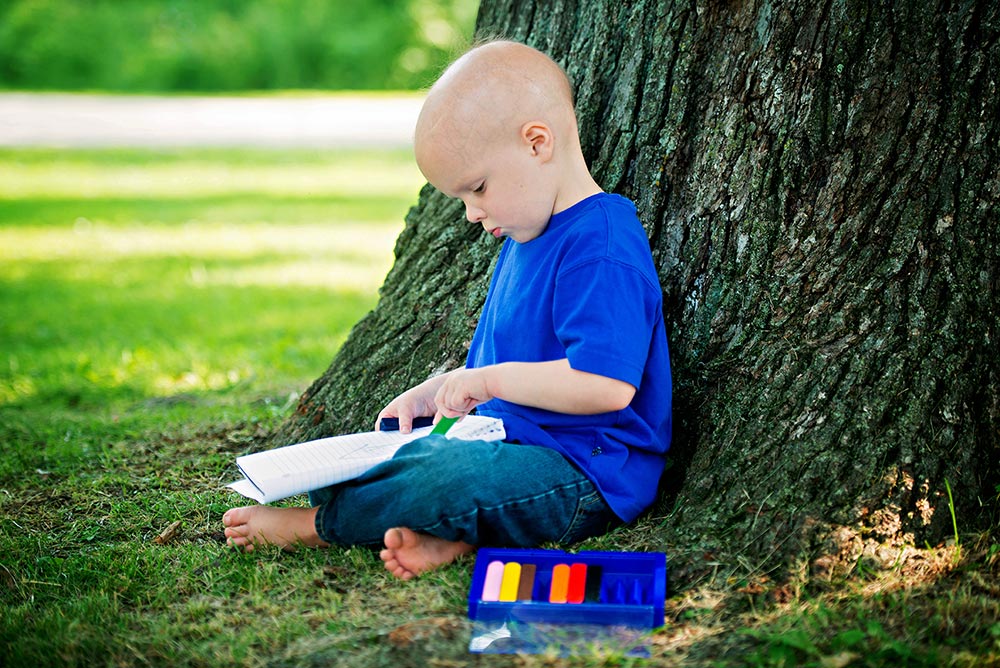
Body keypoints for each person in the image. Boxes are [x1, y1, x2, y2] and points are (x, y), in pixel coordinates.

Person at [223, 40, 672, 580]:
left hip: (583, 470)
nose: (471, 213)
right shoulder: (528, 234)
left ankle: (316, 526)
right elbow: (507, 362)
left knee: (435, 477)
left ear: (537, 143)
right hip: (504, 447)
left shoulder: (599, 245)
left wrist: (488, 382)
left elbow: (605, 386)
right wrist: (443, 390)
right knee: (371, 459)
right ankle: (450, 536)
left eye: (477, 188)